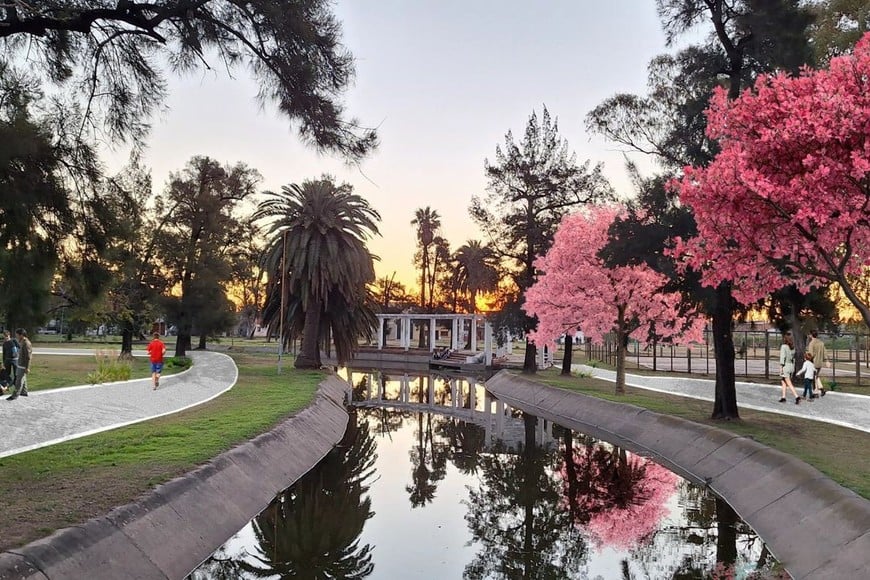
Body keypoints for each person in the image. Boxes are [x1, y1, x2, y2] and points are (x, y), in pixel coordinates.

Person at [7, 328, 32, 401]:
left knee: (19, 381)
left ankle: (15, 395)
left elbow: (28, 357)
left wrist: (27, 368)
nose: (16, 336)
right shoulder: (22, 342)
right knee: (22, 379)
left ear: (21, 335)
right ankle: (24, 392)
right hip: (20, 364)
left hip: (23, 365)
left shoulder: (26, 343)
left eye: (17, 334)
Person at [779, 332, 800, 404]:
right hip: (791, 366)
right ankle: (783, 397)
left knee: (789, 383)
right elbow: (793, 358)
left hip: (786, 366)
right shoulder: (792, 348)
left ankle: (797, 396)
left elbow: (782, 358)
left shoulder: (783, 346)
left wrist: (781, 367)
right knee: (783, 381)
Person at [807, 329, 827, 397]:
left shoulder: (811, 343)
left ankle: (815, 392)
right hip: (819, 362)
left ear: (811, 335)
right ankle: (822, 389)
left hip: (813, 362)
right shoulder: (821, 343)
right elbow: (824, 352)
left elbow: (811, 354)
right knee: (816, 376)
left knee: (813, 378)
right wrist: (826, 360)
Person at [1, 330, 20, 394]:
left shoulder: (14, 340)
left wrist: (16, 353)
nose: (6, 338)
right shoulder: (4, 343)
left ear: (9, 335)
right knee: (7, 374)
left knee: (16, 374)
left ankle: (17, 388)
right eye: (4, 337)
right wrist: (3, 362)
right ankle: (7, 387)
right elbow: (4, 353)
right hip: (7, 360)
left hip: (15, 360)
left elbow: (19, 347)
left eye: (7, 336)